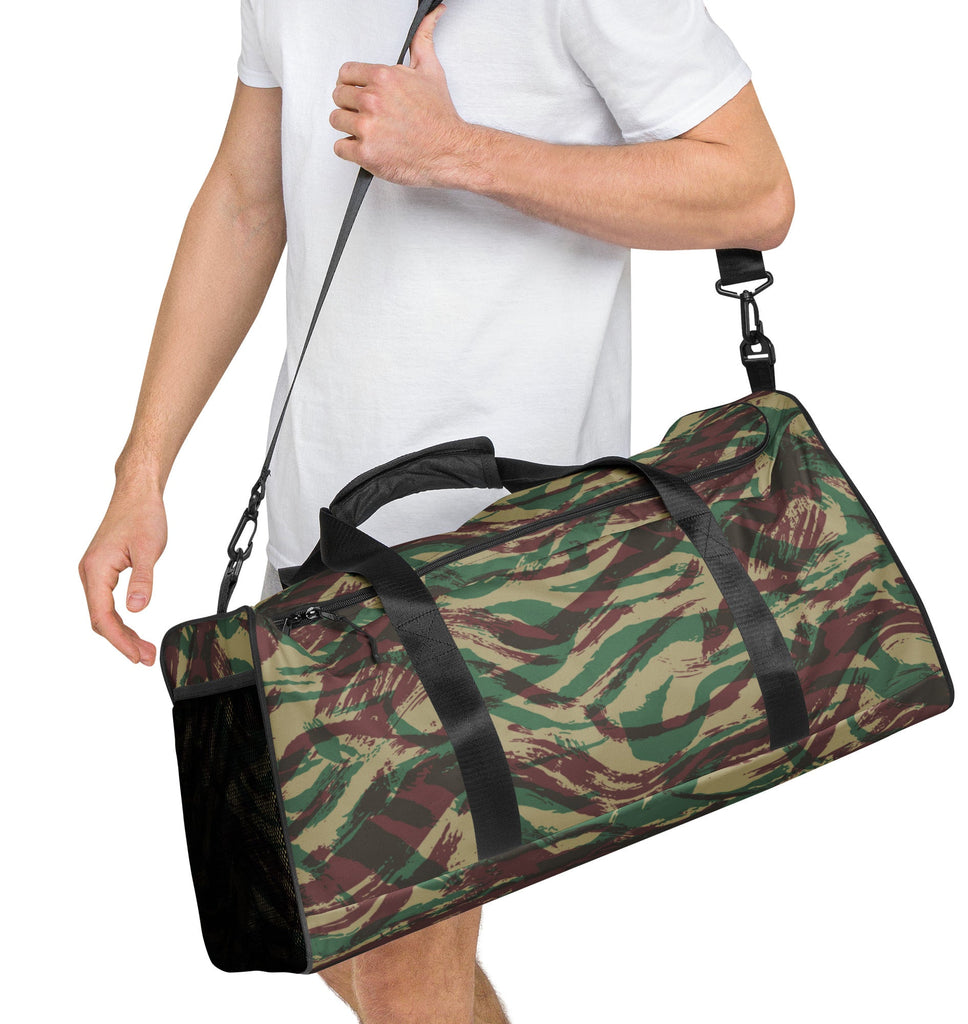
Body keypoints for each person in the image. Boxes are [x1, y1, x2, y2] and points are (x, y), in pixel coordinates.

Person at [79, 1, 794, 1021]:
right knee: (338, 936)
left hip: (502, 558)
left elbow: (754, 189)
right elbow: (246, 198)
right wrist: (142, 469)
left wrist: (462, 151)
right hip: (325, 536)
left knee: (398, 966)